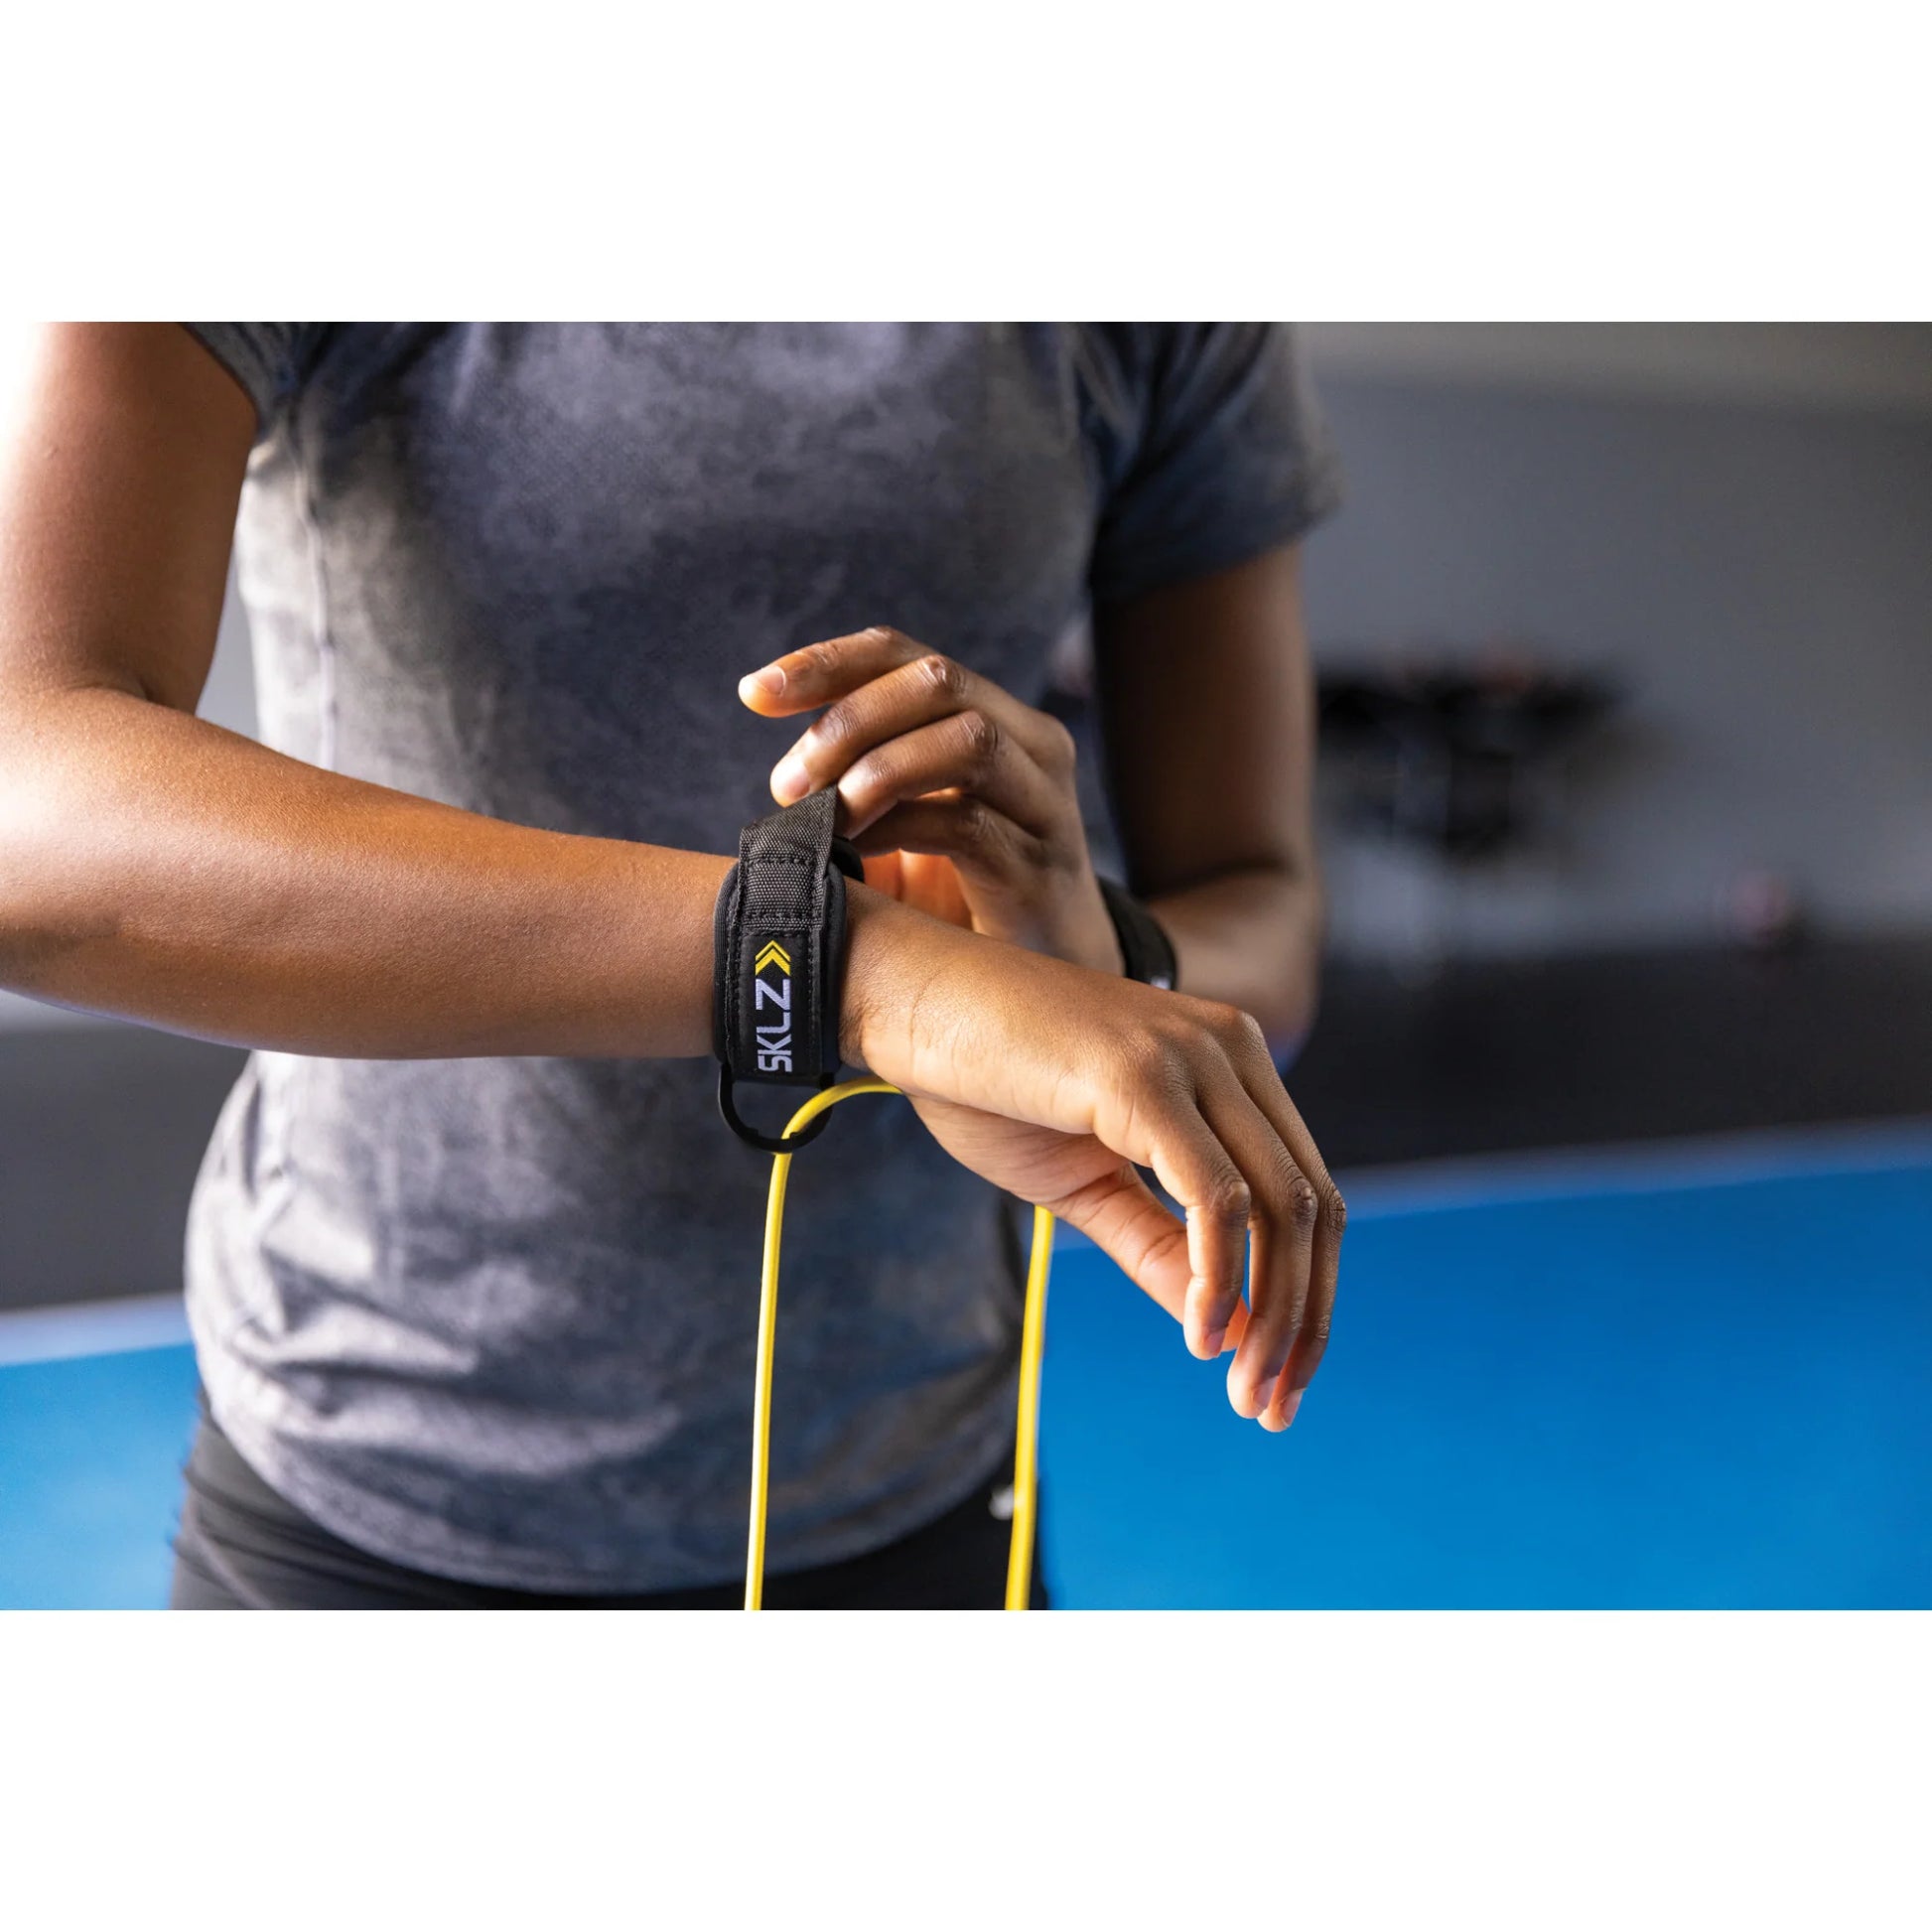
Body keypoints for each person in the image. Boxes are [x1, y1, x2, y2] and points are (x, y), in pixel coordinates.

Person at [0, 323, 1347, 1608]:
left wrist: (1096, 962)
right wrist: (850, 971)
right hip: (379, 1457)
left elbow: (1263, 904)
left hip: (917, 1464)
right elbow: (28, 811)